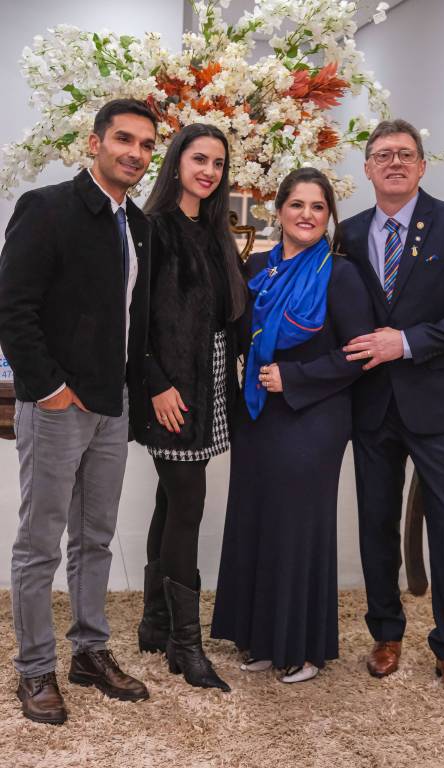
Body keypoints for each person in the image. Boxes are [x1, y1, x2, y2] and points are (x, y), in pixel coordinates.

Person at [0, 99, 157, 724]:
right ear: (94, 143)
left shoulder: (137, 223)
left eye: (146, 145)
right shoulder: (47, 208)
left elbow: (131, 319)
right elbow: (12, 308)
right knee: (40, 543)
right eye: (124, 139)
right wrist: (48, 389)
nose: (135, 153)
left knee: (95, 538)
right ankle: (34, 668)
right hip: (58, 406)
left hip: (112, 406)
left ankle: (89, 652)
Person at [338, 119, 444, 703]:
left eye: (406, 154)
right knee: (375, 523)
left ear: (423, 166)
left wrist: (404, 342)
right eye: (383, 155)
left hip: (440, 404)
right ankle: (386, 633)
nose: (395, 163)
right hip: (372, 405)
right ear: (368, 168)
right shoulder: (349, 233)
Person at [211, 168, 374, 683]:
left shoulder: (341, 274)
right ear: (279, 210)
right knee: (256, 520)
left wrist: (294, 377)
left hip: (314, 416)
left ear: (329, 216)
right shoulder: (256, 266)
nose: (307, 215)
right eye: (297, 204)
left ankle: (303, 648)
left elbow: (359, 354)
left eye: (318, 207)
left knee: (298, 529)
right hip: (258, 415)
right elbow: (235, 334)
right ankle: (261, 639)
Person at [129, 123, 246, 693]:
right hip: (171, 390)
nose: (209, 171)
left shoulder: (215, 230)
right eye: (200, 159)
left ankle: (155, 622)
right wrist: (155, 382)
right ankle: (185, 644)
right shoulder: (152, 228)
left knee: (170, 500)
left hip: (210, 383)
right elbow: (134, 318)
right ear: (176, 161)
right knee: (189, 505)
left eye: (218, 164)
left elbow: (227, 312)